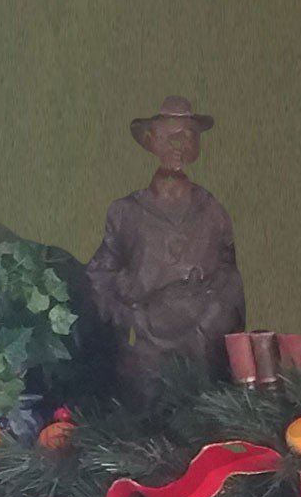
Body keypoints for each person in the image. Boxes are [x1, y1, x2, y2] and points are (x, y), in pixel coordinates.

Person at [87, 96, 244, 399]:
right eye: (169, 136)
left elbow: (230, 276)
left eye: (188, 135)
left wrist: (213, 317)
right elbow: (99, 276)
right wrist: (132, 317)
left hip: (200, 350)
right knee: (144, 416)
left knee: (201, 414)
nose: (179, 145)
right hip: (146, 353)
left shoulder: (213, 211)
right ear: (151, 142)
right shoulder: (126, 212)